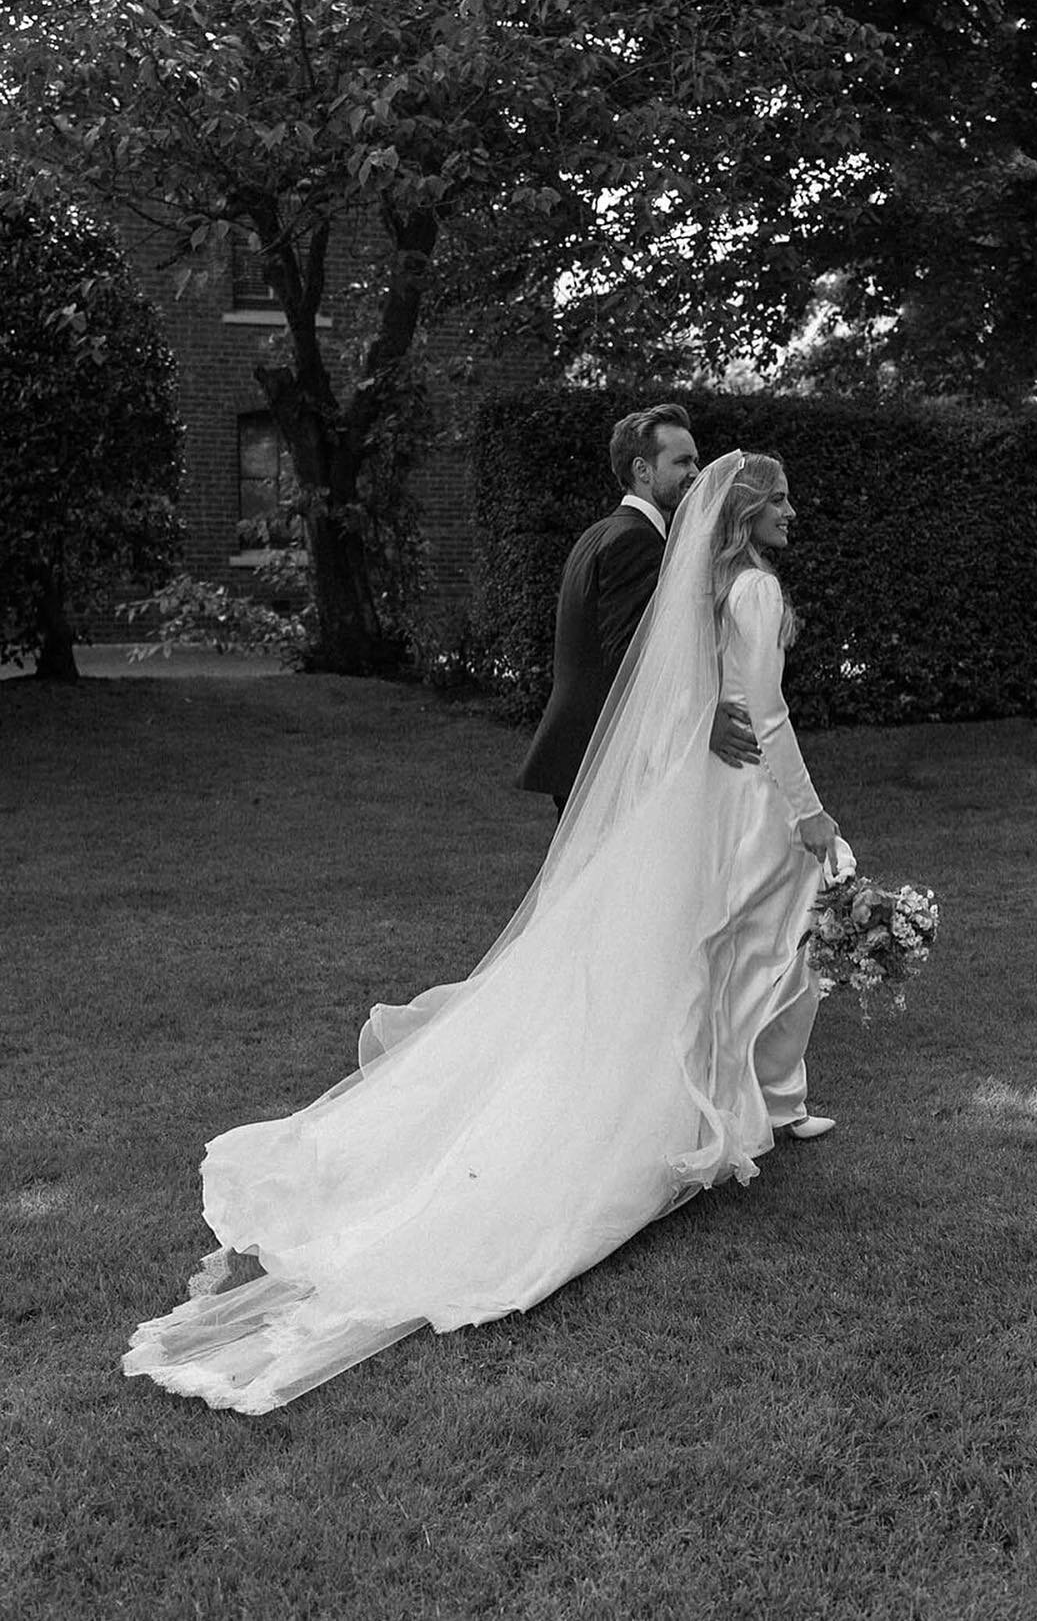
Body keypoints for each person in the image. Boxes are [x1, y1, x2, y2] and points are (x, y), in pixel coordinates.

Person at [121, 451, 845, 1415]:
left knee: (723, 949)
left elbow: (694, 691)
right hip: (752, 796)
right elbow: (767, 708)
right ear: (748, 514)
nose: (795, 512)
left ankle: (742, 1100)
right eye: (783, 500)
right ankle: (741, 1103)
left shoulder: (714, 582)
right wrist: (808, 811)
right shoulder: (751, 589)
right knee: (772, 938)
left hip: (709, 790)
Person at [517, 403, 759, 812]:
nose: (695, 473)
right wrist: (703, 723)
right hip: (607, 754)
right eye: (682, 461)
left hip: (581, 747)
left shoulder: (602, 531)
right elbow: (634, 655)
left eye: (696, 460)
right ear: (642, 470)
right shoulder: (637, 542)